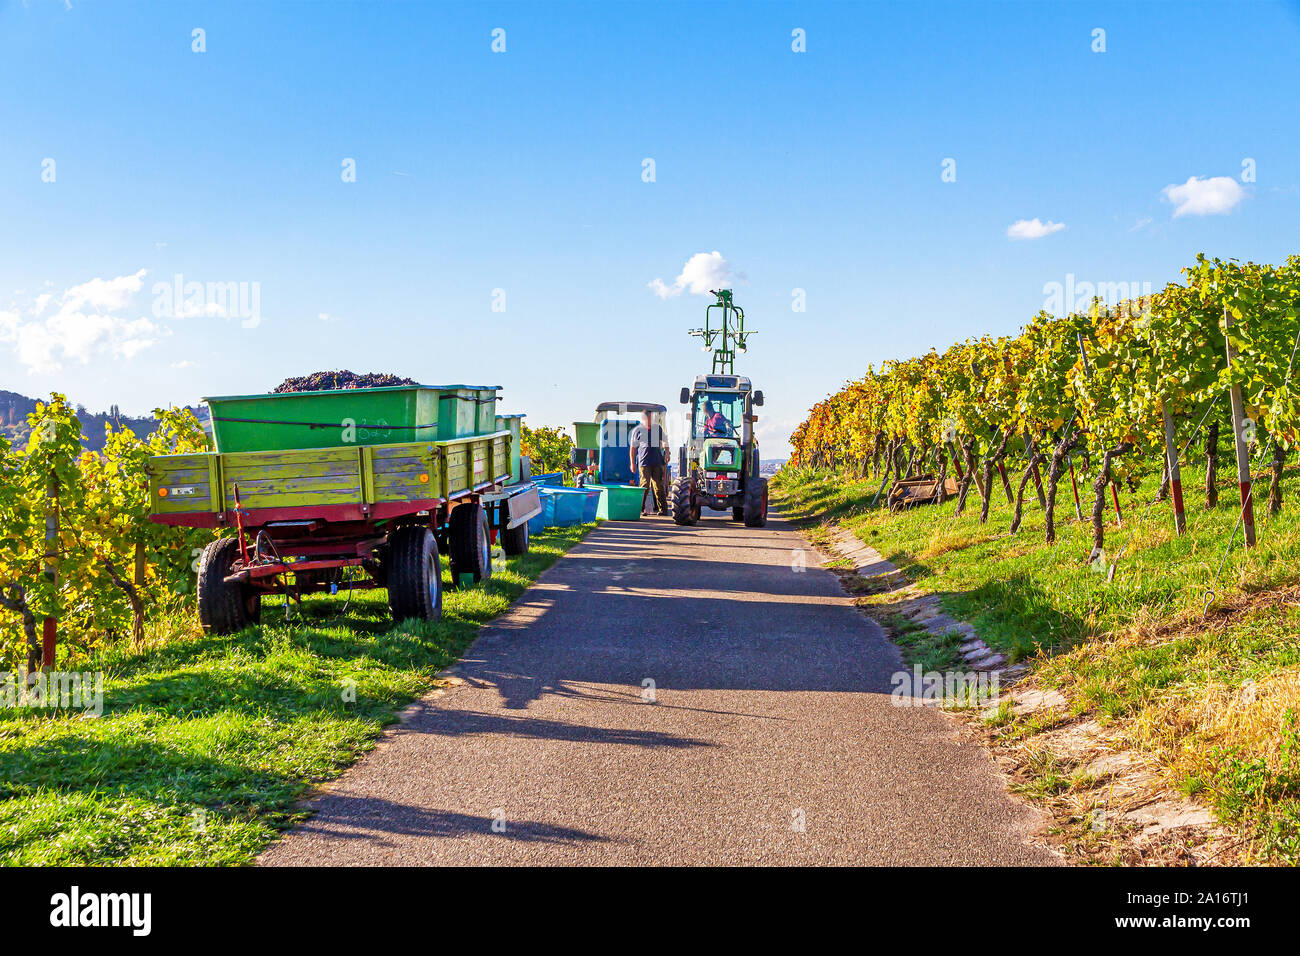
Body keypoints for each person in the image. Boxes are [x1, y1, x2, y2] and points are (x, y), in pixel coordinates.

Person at [629, 409, 669, 515]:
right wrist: (632, 463)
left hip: (657, 461)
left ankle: (663, 510)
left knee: (658, 486)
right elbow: (633, 449)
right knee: (644, 485)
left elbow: (665, 441)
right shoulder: (637, 430)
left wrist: (667, 453)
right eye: (648, 418)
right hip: (644, 462)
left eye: (651, 418)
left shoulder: (658, 428)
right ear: (643, 419)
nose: (650, 420)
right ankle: (639, 509)